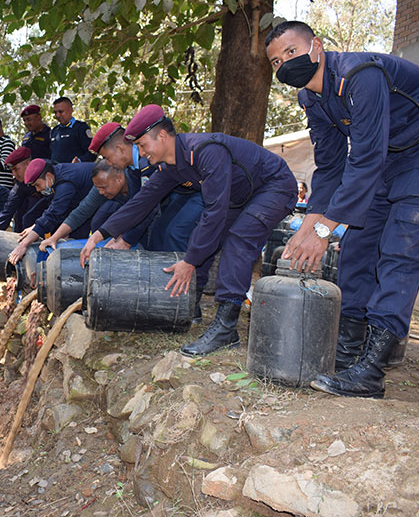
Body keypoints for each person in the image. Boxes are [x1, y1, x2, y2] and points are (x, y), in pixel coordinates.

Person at [266, 21, 419, 399]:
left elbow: (364, 158)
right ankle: (347, 358)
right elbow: (331, 166)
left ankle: (372, 371)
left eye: (291, 52)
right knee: (358, 250)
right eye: (276, 61)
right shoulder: (311, 99)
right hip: (386, 160)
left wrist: (323, 231)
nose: (284, 64)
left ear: (316, 45)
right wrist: (307, 226)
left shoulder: (359, 74)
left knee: (400, 252)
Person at [80, 105, 297, 357]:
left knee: (237, 241)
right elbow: (143, 202)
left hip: (274, 186)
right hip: (241, 197)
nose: (140, 152)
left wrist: (190, 261)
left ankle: (226, 328)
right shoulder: (172, 166)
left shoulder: (205, 151)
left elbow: (215, 211)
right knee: (201, 241)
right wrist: (99, 235)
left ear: (161, 136)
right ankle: (187, 307)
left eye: (142, 144)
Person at [89, 122, 206, 253]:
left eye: (107, 158)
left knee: (175, 233)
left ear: (120, 149)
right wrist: (120, 236)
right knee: (158, 232)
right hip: (181, 196)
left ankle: (187, 271)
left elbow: (148, 206)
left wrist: (126, 240)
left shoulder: (148, 162)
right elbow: (135, 206)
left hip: (197, 193)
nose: (108, 163)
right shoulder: (133, 169)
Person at [39, 159, 155, 251]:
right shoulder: (102, 186)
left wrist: (126, 240)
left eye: (103, 188)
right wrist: (54, 238)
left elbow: (147, 211)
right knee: (98, 221)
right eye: (98, 188)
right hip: (128, 212)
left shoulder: (138, 180)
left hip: (156, 212)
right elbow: (81, 212)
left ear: (119, 178)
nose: (100, 192)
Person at [7, 158, 96, 264]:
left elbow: (54, 213)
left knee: (83, 232)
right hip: (82, 199)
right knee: (31, 216)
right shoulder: (56, 175)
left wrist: (24, 244)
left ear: (48, 176)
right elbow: (52, 207)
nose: (37, 190)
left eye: (37, 185)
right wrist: (35, 227)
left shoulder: (65, 182)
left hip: (105, 197)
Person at [0, 147, 50, 233]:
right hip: (30, 229)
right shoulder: (20, 184)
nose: (13, 174)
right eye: (11, 170)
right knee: (19, 217)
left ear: (29, 164)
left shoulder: (48, 172)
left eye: (16, 169)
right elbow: (7, 211)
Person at [49, 97, 95, 163]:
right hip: (57, 171)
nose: (57, 115)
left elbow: (92, 153)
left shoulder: (81, 128)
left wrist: (79, 161)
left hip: (74, 171)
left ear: (71, 110)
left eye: (61, 111)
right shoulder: (55, 131)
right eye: (55, 112)